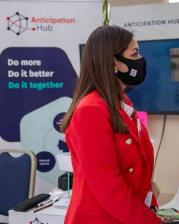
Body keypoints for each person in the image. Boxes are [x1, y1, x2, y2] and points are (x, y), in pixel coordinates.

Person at [61, 25, 161, 224]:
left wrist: (150, 207)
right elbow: (109, 188)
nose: (140, 61)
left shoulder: (122, 102)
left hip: (127, 215)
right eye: (135, 54)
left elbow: (138, 167)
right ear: (112, 61)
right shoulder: (90, 110)